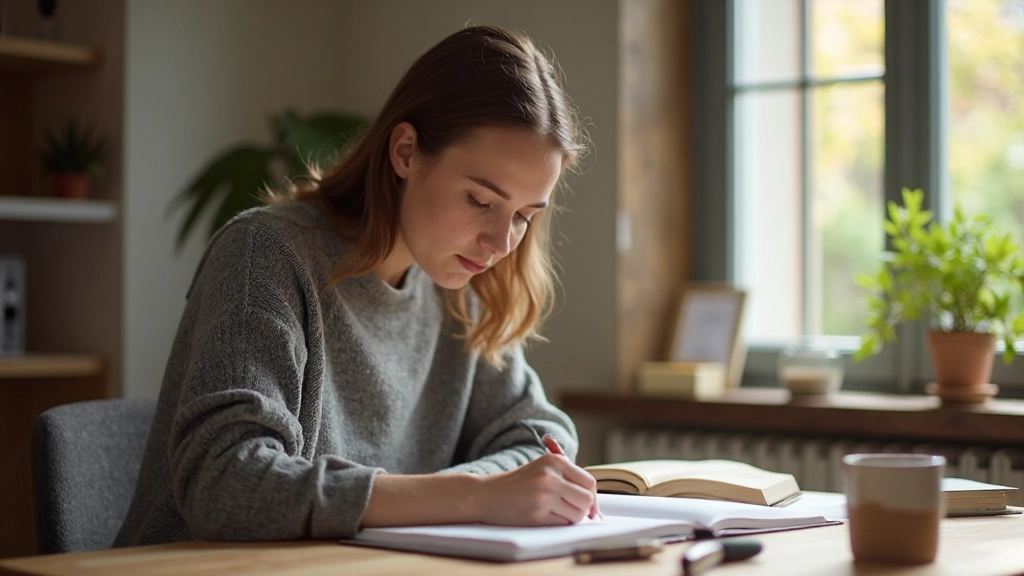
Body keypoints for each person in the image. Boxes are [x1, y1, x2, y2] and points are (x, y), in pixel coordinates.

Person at [114, 25, 600, 546]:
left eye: (525, 214)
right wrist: (472, 497)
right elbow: (227, 482)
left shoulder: (463, 286)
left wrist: (470, 494)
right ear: (406, 152)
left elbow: (541, 436)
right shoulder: (266, 255)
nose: (502, 242)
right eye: (481, 201)